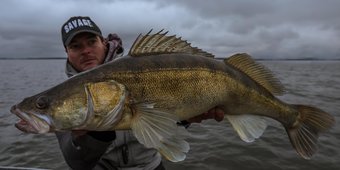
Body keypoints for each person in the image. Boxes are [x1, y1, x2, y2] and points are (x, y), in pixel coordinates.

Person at [56, 16, 224, 170]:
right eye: (75, 46)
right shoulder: (62, 98)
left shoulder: (139, 68)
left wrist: (185, 119)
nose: (85, 51)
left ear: (104, 42)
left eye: (91, 42)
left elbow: (162, 121)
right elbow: (76, 162)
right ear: (67, 52)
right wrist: (91, 137)